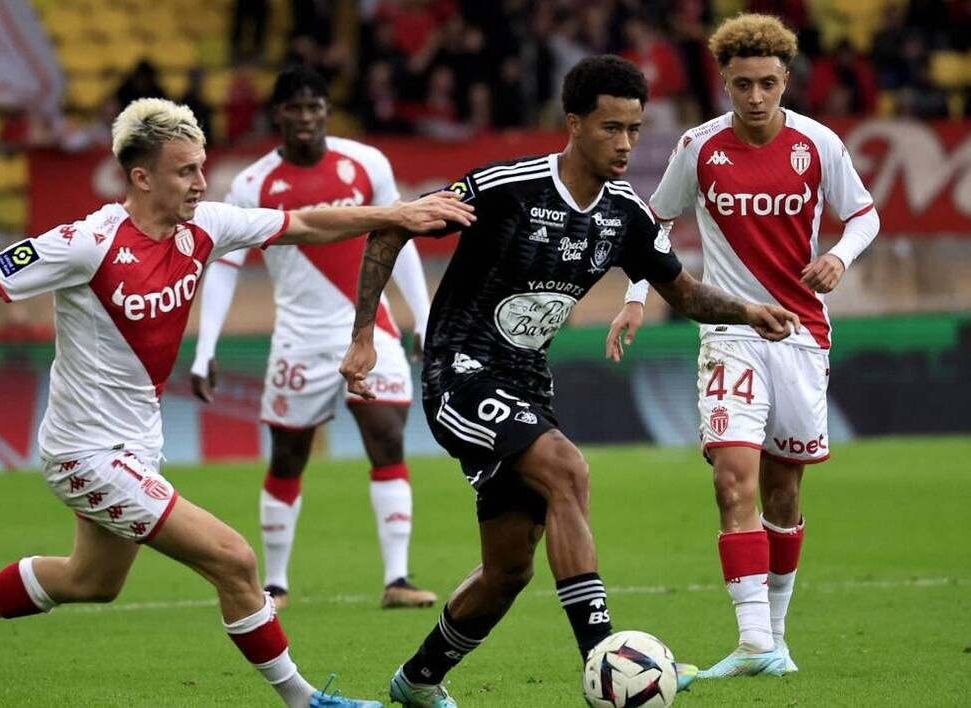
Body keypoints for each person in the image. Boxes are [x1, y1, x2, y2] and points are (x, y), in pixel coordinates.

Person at [0, 97, 474, 705]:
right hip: (86, 452)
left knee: (91, 580)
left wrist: (398, 213)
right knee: (234, 559)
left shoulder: (206, 226)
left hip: (138, 442)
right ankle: (304, 700)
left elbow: (305, 223)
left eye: (201, 167)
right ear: (142, 177)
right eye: (186, 170)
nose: (200, 182)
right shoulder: (88, 241)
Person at [339, 55, 800, 707]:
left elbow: (686, 293)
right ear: (575, 123)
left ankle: (418, 680)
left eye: (634, 129)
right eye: (611, 128)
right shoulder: (505, 188)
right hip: (460, 373)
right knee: (568, 470)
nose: (625, 144)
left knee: (508, 569)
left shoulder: (625, 215)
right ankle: (605, 659)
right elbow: (392, 227)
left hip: (528, 384)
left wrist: (749, 310)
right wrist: (364, 334)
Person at [607, 14, 878, 679]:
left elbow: (863, 214)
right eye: (741, 85)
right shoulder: (699, 147)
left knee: (784, 491)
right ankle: (753, 640)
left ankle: (775, 641)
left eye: (767, 84)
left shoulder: (818, 144)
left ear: (786, 80)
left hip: (801, 333)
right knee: (733, 479)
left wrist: (839, 256)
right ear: (723, 83)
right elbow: (654, 224)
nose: (755, 97)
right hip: (729, 332)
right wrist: (638, 296)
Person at [190, 66, 436, 611]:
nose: (306, 117)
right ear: (278, 115)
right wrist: (205, 349)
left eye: (314, 107)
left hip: (369, 329)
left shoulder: (366, 163)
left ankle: (397, 579)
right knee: (288, 456)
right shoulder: (252, 184)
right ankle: (275, 585)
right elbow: (225, 265)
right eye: (295, 108)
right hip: (299, 338)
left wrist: (423, 317)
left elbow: (399, 239)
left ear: (326, 111)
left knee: (387, 438)